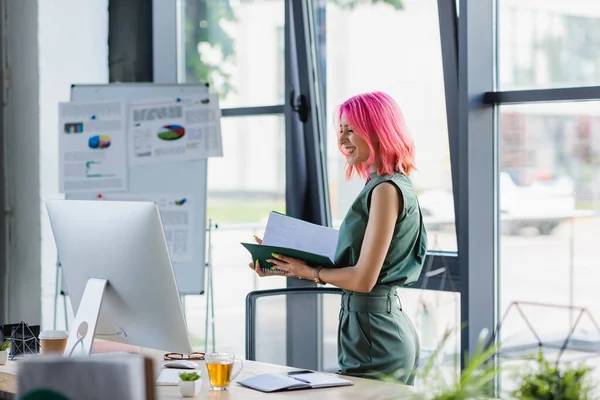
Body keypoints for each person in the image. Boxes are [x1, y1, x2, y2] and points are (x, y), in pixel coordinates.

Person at [248, 91, 428, 385]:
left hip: (376, 335)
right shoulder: (386, 185)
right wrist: (288, 265)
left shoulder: (384, 189)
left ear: (377, 129)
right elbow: (359, 267)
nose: (342, 140)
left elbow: (364, 279)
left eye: (351, 130)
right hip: (371, 328)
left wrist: (307, 271)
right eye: (340, 131)